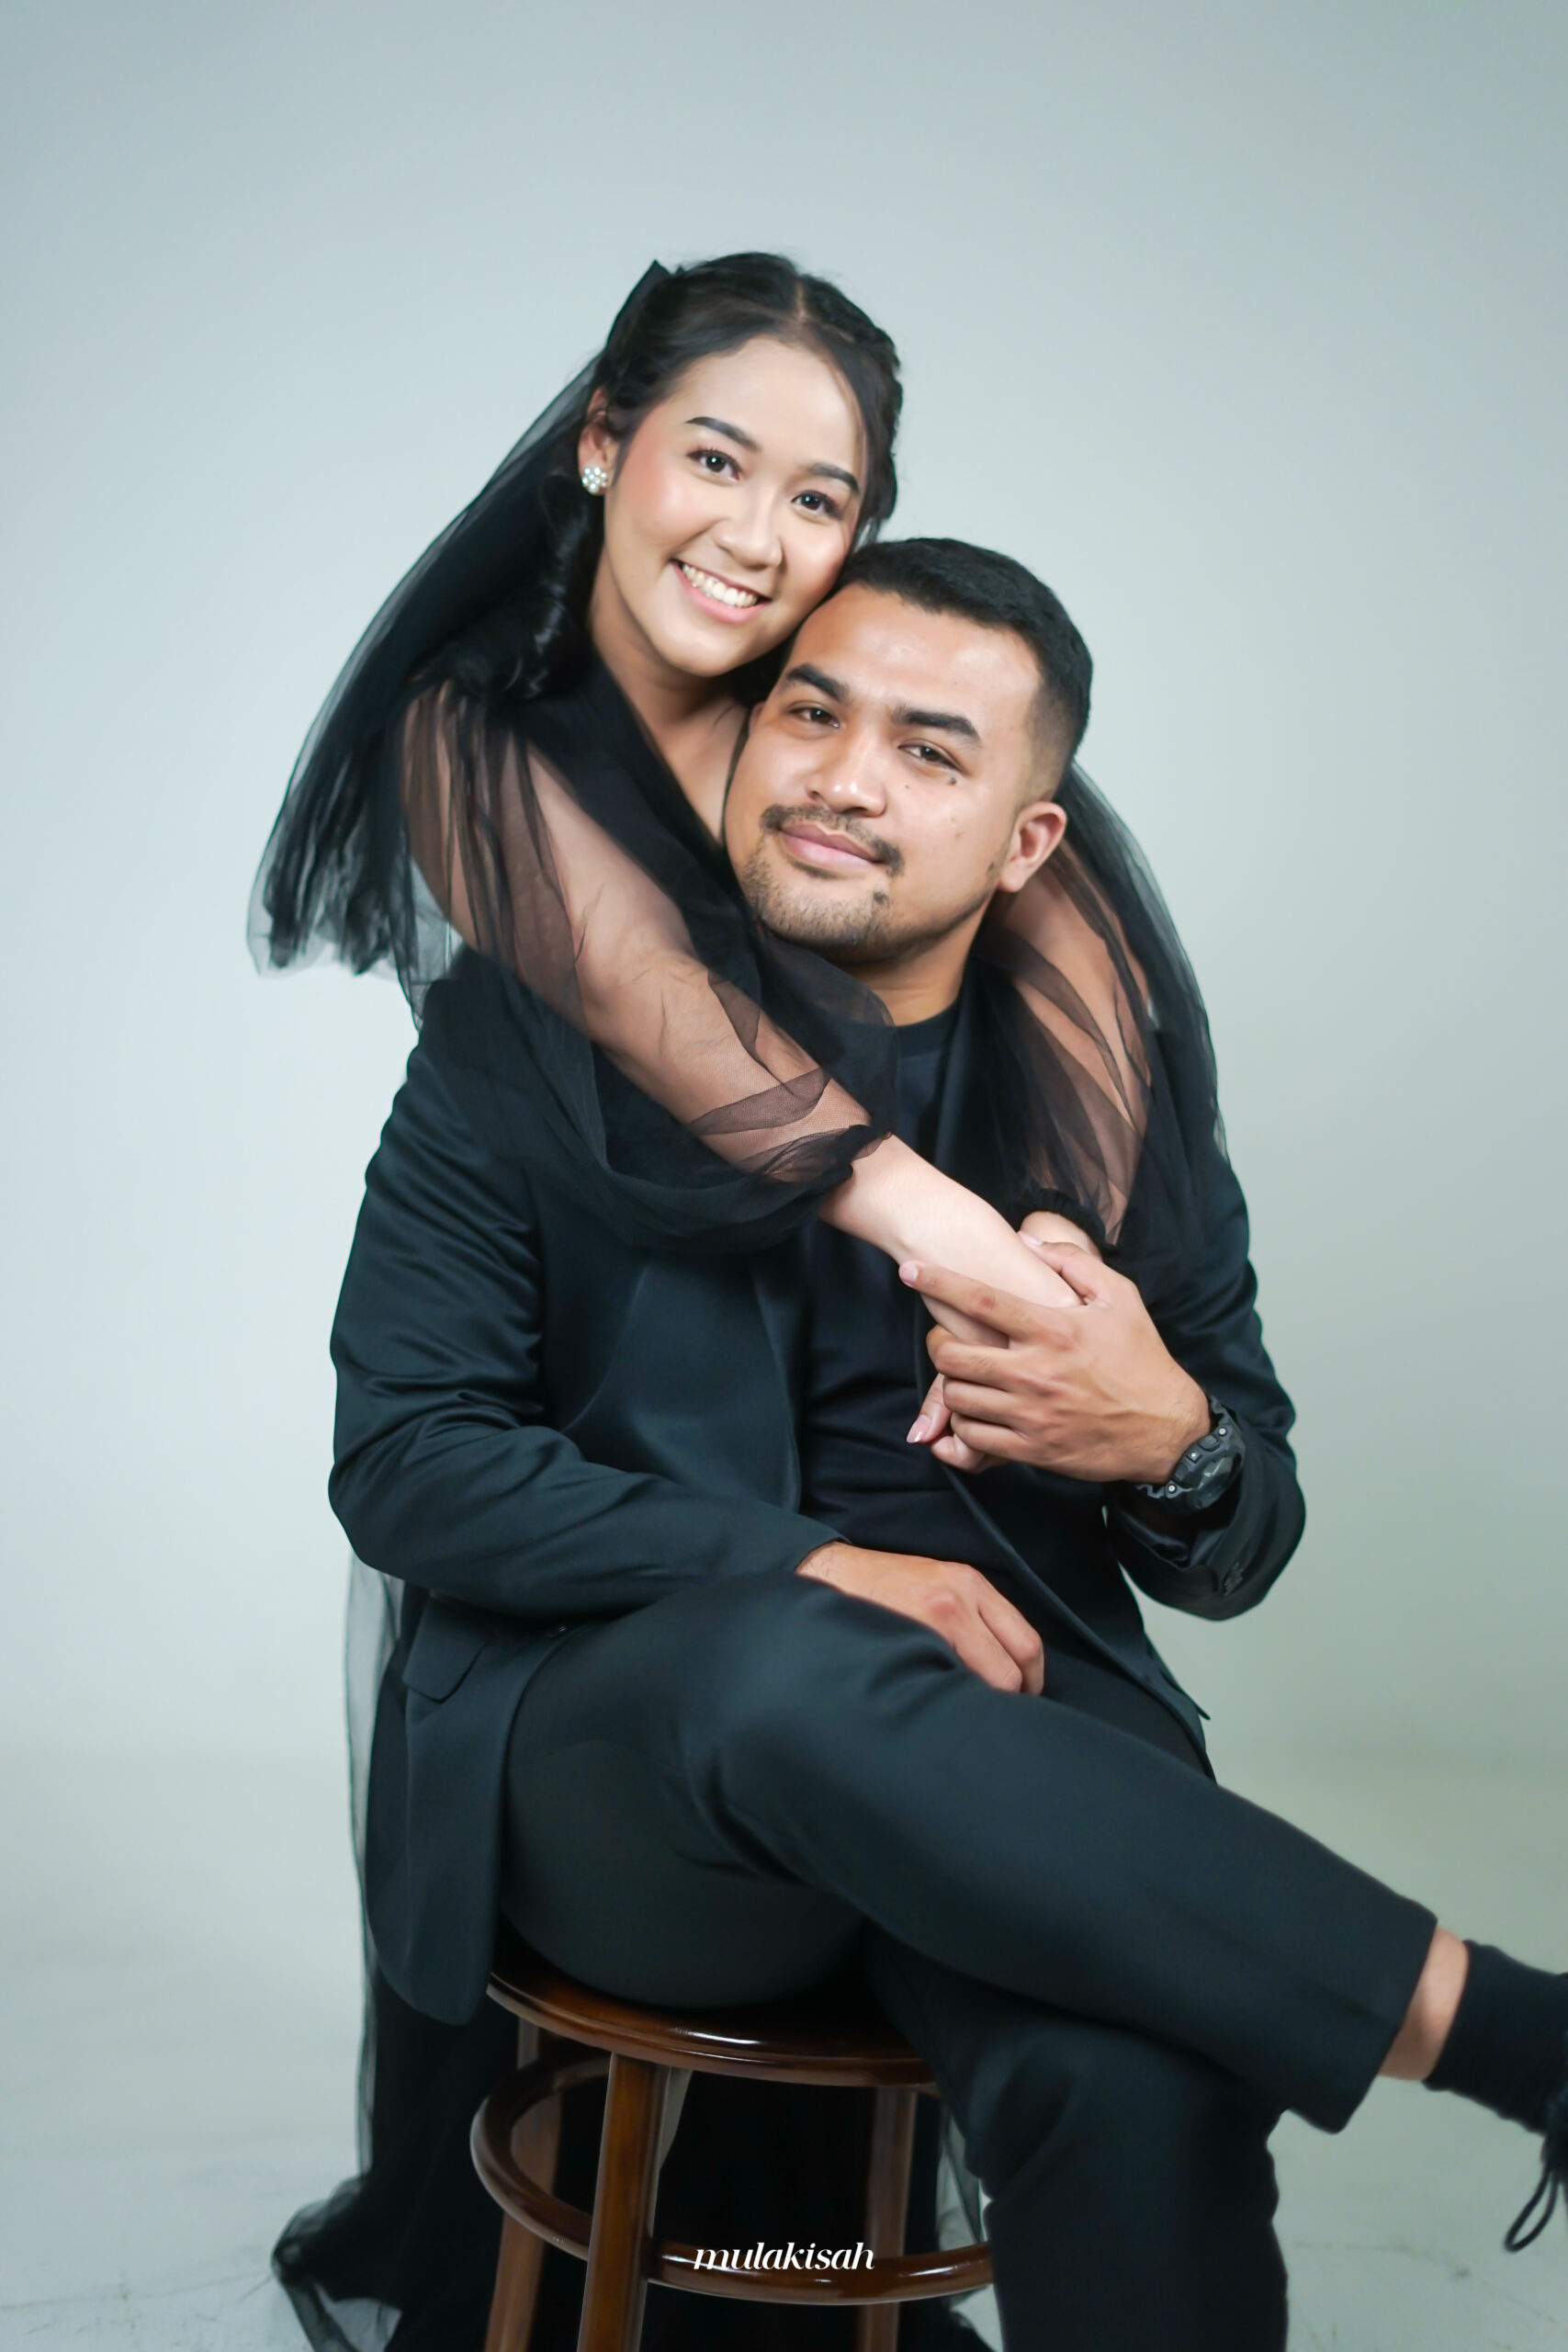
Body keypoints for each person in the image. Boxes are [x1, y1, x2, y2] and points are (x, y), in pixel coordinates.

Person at [324, 539, 1567, 2351]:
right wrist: (811, 1566)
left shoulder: (1099, 1083)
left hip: (1017, 1752)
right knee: (781, 1660)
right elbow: (409, 1463)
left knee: (1139, 2080)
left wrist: (1167, 1436)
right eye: (808, 712)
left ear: (1025, 840)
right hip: (639, 1771)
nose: (841, 775)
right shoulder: (529, 1036)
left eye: (927, 749)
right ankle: (1518, 2034)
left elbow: (1246, 1521)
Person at [254, 254, 1228, 2347]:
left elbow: (1097, 1046)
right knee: (744, 1695)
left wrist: (1133, 1379)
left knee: (1114, 2047)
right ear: (602, 441)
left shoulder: (900, 747)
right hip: (656, 1610)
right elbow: (675, 1054)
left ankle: (829, 2275)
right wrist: (960, 1257)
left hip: (943, 1578)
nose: (759, 538)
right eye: (714, 458)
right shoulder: (497, 783)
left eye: (822, 498)